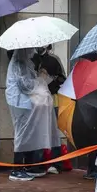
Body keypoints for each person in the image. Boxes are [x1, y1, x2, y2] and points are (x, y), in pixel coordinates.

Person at [5, 48, 60, 182]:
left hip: (25, 103)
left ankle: (29, 167)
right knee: (21, 134)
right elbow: (25, 85)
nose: (32, 51)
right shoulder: (18, 64)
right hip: (20, 103)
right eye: (29, 49)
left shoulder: (25, 63)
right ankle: (17, 169)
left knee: (27, 133)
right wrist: (41, 80)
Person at [32, 44, 66, 174]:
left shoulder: (54, 59)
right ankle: (38, 163)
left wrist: (51, 79)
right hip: (36, 99)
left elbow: (63, 78)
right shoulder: (32, 59)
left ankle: (56, 163)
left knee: (53, 131)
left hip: (52, 98)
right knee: (37, 131)